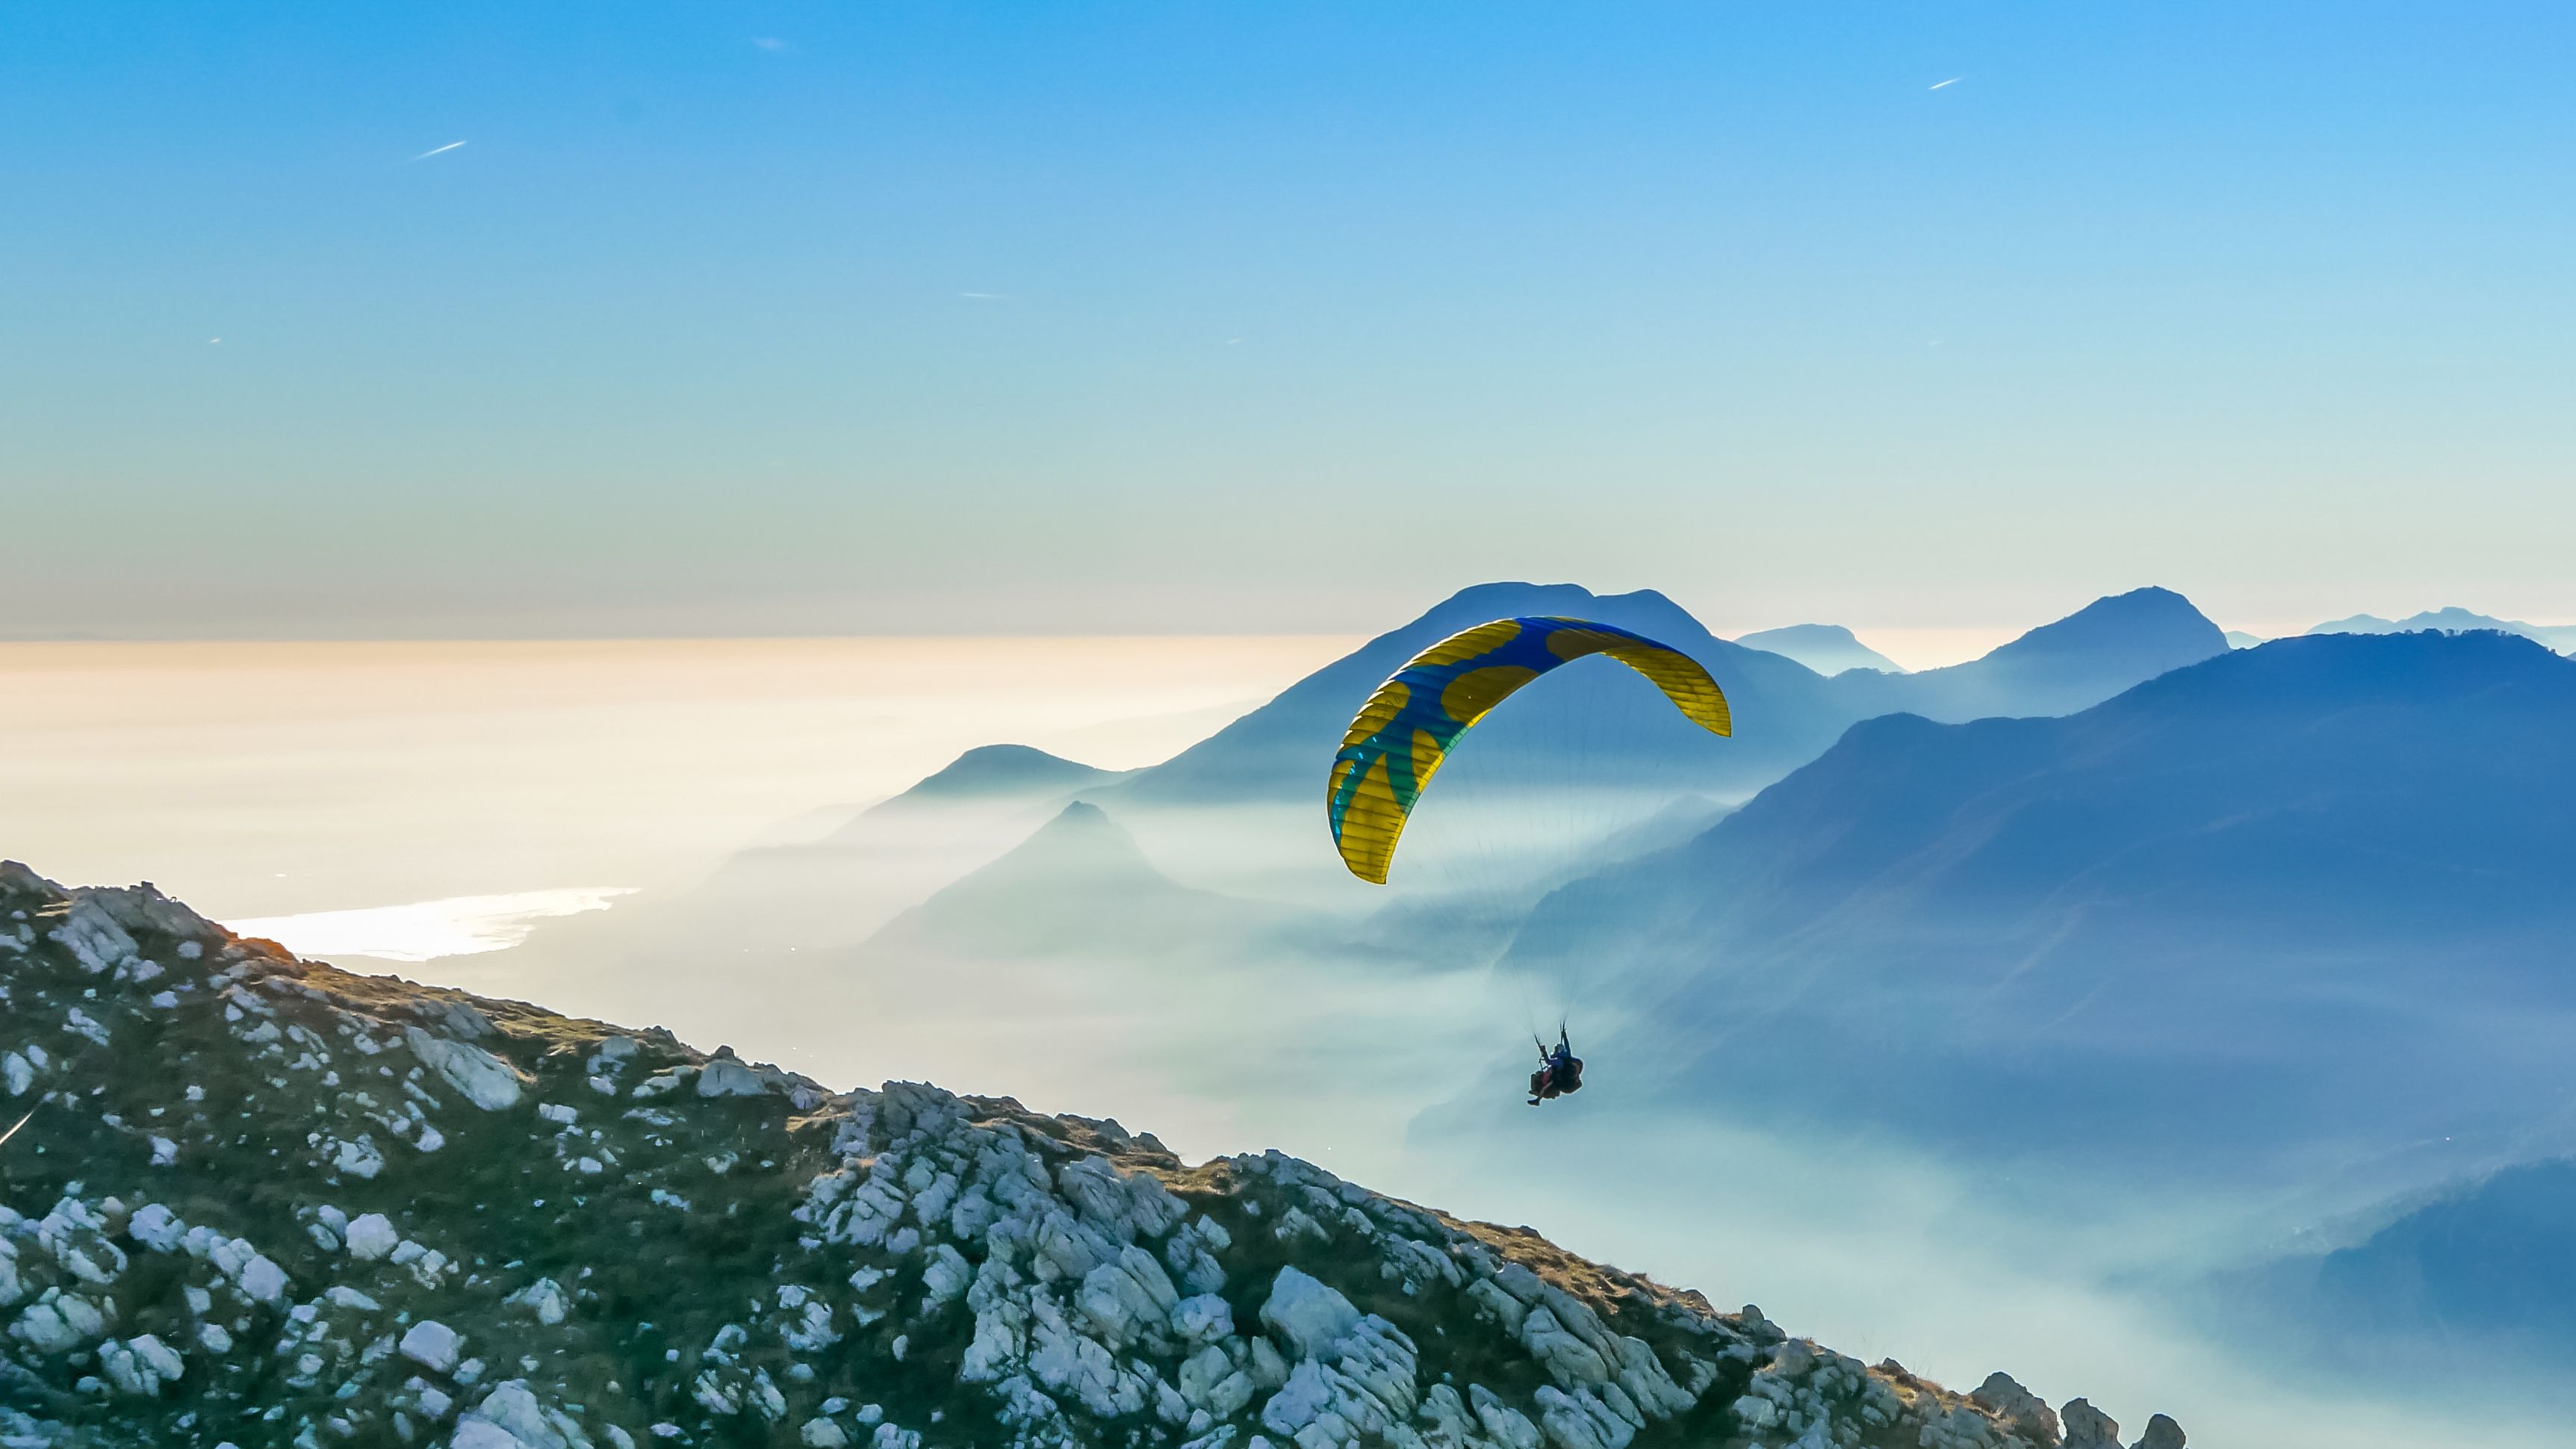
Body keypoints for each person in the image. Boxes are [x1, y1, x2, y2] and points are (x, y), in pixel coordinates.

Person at [1527, 1028, 1583, 1105]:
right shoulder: (1567, 1056)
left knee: (1544, 1088)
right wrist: (1564, 1036)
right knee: (1545, 1086)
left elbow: (1548, 1061)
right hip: (1561, 1078)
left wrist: (1544, 1052)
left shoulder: (1560, 1061)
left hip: (1559, 1079)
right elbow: (1567, 1046)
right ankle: (1537, 1099)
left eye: (1556, 1050)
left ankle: (1538, 1100)